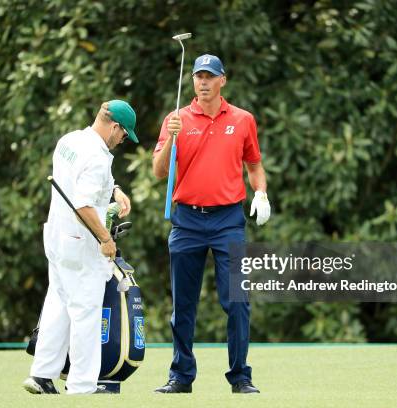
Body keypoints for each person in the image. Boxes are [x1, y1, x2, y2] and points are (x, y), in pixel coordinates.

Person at [152, 54, 270, 394]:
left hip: (228, 220)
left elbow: (254, 165)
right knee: (183, 303)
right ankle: (181, 376)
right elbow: (159, 172)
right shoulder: (175, 119)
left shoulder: (243, 120)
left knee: (237, 301)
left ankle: (240, 377)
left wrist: (260, 192)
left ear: (222, 80)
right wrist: (171, 138)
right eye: (197, 76)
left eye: (209, 76)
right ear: (192, 81)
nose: (202, 82)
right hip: (186, 219)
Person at [23, 100, 139, 395]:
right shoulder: (97, 158)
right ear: (115, 127)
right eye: (125, 135)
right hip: (81, 242)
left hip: (56, 237)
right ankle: (82, 387)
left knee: (59, 302)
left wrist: (115, 189)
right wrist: (106, 238)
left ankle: (42, 375)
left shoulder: (71, 140)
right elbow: (83, 206)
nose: (123, 141)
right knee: (86, 312)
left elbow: (88, 183)